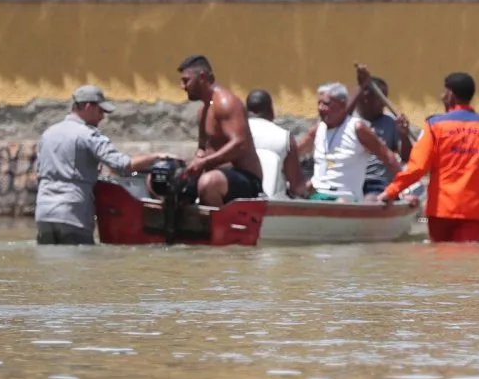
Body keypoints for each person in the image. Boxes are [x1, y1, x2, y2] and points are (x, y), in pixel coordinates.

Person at [374, 72, 479, 243]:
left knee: (440, 262)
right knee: (469, 260)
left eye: (443, 92)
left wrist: (390, 192)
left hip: (441, 210)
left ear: (450, 95)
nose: (441, 96)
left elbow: (417, 167)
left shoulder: (435, 125)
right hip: (473, 210)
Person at [34, 85, 170, 245]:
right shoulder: (88, 135)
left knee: (49, 266)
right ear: (88, 106)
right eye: (100, 111)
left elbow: (38, 174)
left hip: (43, 214)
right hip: (73, 214)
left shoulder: (48, 133)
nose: (102, 117)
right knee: (78, 267)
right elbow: (123, 165)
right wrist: (157, 157)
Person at [178, 54, 263, 206]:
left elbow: (240, 144)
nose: (182, 86)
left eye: (186, 81)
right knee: (167, 181)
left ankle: (217, 228)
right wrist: (194, 162)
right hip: (215, 177)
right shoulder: (202, 111)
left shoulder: (225, 102)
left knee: (208, 183)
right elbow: (203, 149)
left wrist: (204, 162)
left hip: (246, 180)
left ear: (202, 77)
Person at [300, 82, 401, 201]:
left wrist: (403, 189)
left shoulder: (357, 128)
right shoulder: (317, 129)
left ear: (342, 105)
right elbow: (295, 152)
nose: (320, 108)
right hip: (317, 196)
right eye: (319, 103)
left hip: (346, 199)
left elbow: (388, 157)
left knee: (342, 202)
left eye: (326, 104)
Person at [352, 71, 413, 197]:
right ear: (365, 98)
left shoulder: (390, 122)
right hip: (351, 180)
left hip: (377, 182)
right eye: (380, 98)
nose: (384, 103)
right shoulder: (348, 122)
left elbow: (407, 158)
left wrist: (403, 136)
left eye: (385, 98)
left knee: (371, 199)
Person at [245, 89, 308, 199]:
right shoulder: (284, 137)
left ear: (246, 111)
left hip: (238, 203)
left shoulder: (234, 136)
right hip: (274, 205)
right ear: (271, 111)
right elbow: (296, 185)